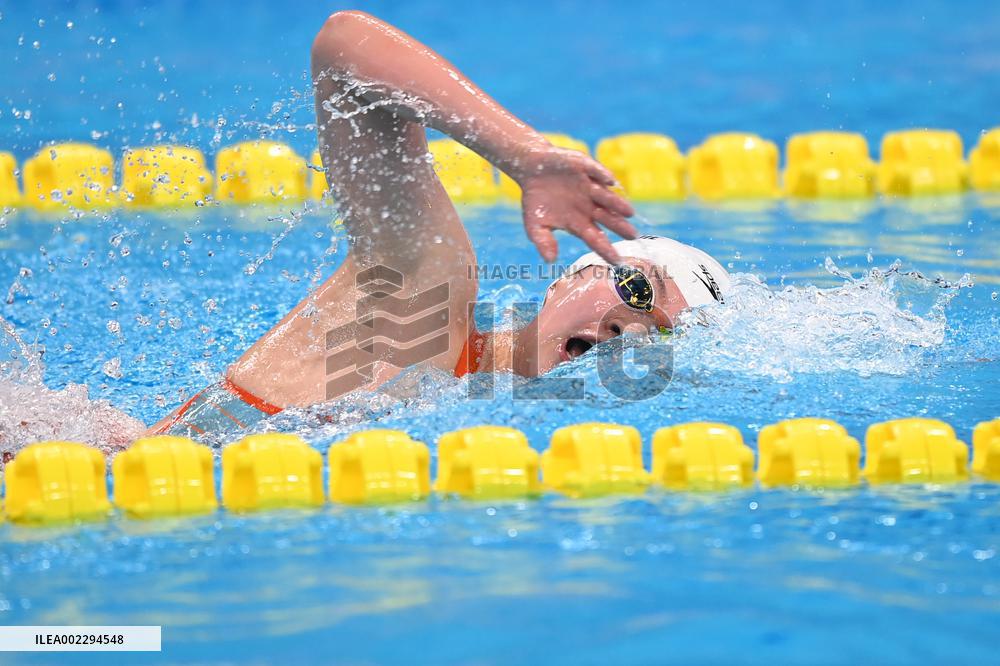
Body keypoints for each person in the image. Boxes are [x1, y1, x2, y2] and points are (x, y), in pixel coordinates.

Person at [150, 10, 729, 438]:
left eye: (660, 337)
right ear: (564, 282)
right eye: (636, 288)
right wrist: (523, 155)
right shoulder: (421, 305)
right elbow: (343, 45)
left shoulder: (481, 425)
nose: (631, 334)